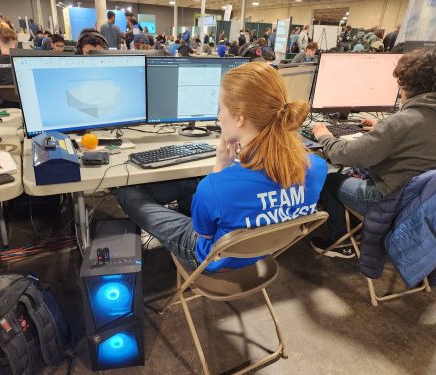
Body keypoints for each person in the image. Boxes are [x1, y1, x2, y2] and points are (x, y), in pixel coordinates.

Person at [116, 62, 327, 272]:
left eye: (221, 108)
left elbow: (203, 233)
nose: (218, 116)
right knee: (193, 186)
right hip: (263, 249)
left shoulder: (215, 187)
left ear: (240, 119)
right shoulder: (317, 167)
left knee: (127, 193)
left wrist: (220, 168)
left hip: (212, 258)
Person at [310, 48, 436, 257]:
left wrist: (324, 135)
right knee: (357, 170)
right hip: (431, 206)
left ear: (408, 85)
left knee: (330, 179)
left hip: (392, 202)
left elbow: (343, 154)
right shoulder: (411, 122)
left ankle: (339, 241)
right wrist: (385, 127)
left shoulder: (400, 124)